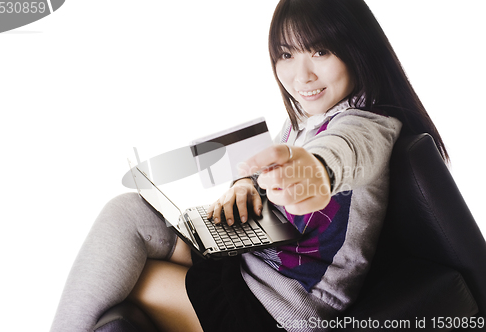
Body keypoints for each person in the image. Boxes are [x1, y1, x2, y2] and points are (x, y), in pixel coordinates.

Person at [50, 0, 448, 331]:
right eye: (287, 55)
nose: (300, 75)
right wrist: (244, 185)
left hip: (277, 308)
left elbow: (344, 152)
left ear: (358, 48)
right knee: (128, 212)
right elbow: (268, 167)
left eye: (320, 51)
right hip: (250, 265)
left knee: (126, 282)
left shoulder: (369, 124)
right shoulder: (308, 120)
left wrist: (316, 169)